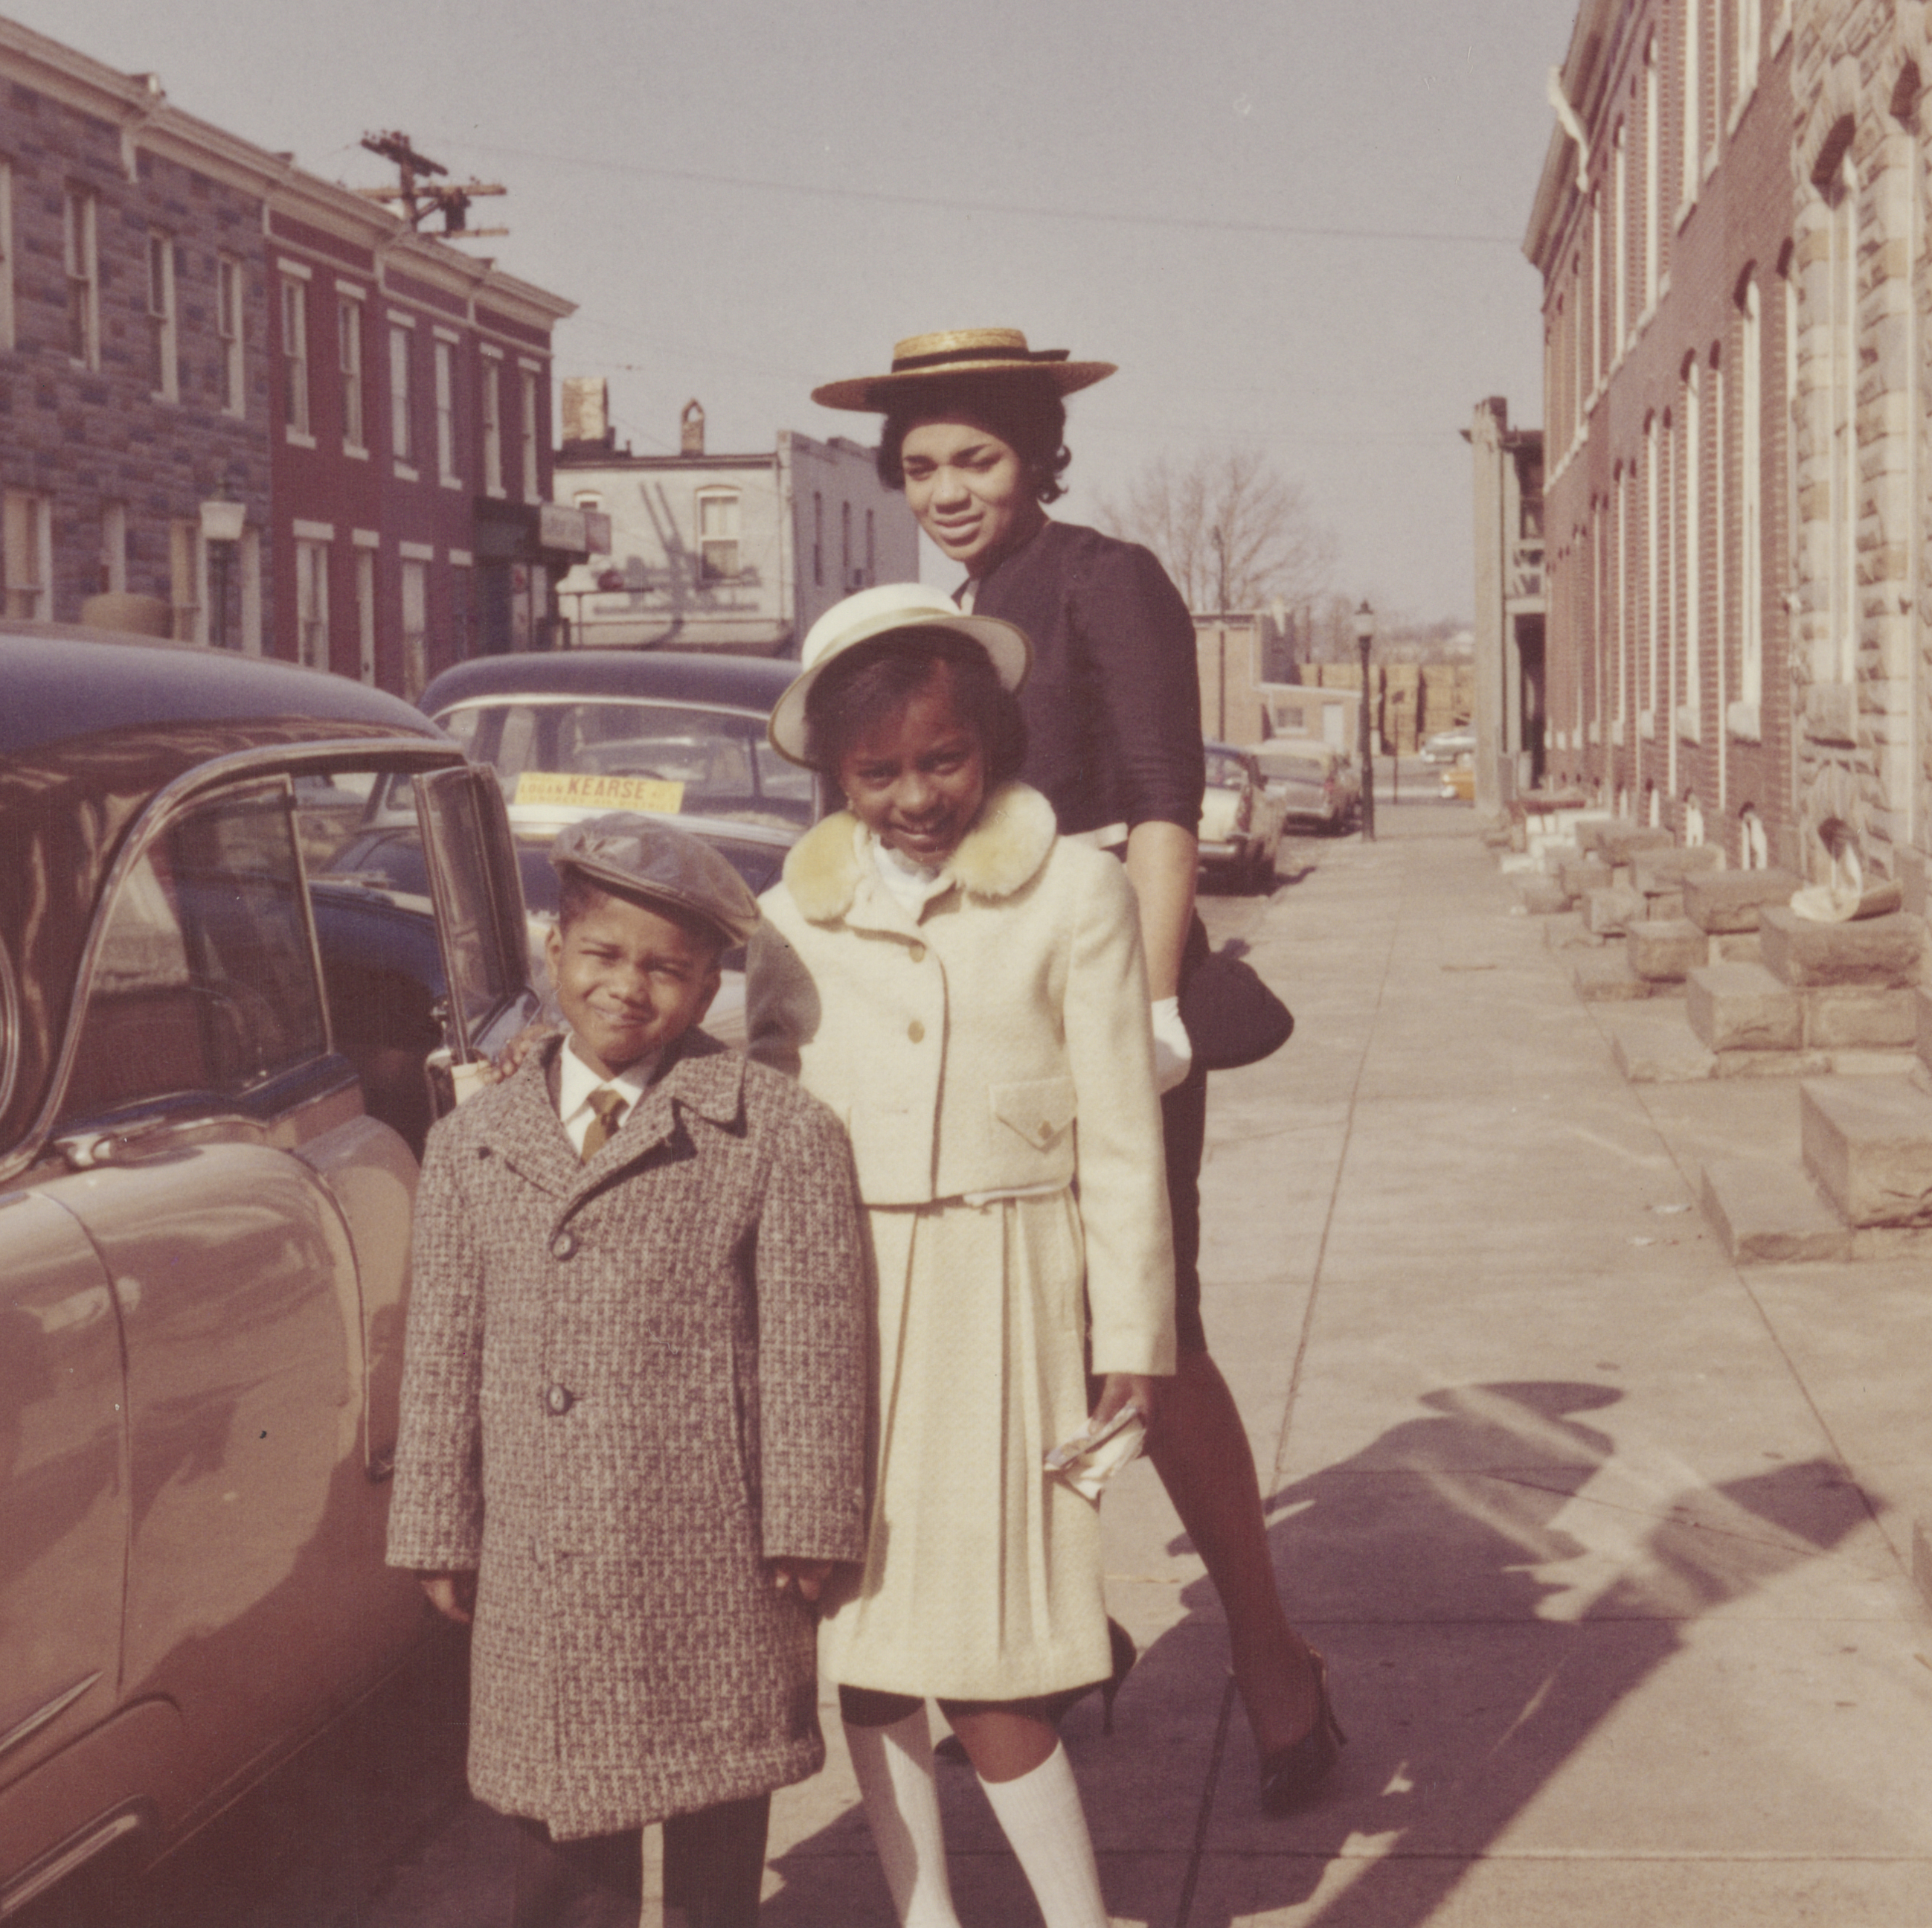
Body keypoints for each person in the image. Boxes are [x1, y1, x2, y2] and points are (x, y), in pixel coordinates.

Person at [811, 328, 1344, 1816]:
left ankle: (1270, 1655)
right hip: (984, 997)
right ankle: (1058, 1633)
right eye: (920, 467)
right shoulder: (945, 612)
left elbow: (1164, 812)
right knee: (1009, 1321)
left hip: (1111, 981)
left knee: (1141, 1329)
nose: (949, 490)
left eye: (975, 458)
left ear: (1039, 455)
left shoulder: (1107, 579)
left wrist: (1153, 1009)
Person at [747, 586, 1174, 1928]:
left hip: (1010, 1297)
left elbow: (1120, 1134)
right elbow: (750, 1110)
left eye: (944, 760)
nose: (916, 797)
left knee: (998, 1664)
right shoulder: (790, 916)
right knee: (867, 1650)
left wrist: (1131, 1341)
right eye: (878, 774)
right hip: (848, 1309)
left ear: (989, 742)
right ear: (835, 774)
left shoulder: (1078, 891)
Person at [388, 813, 870, 1928]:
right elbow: (445, 1347)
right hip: (540, 1560)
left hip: (709, 1555)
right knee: (563, 1853)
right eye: (603, 957)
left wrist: (808, 1520)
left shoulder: (774, 1133)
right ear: (554, 953)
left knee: (716, 1831)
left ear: (710, 993)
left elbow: (812, 1343)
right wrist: (435, 1526)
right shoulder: (474, 1144)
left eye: (668, 970)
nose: (628, 990)